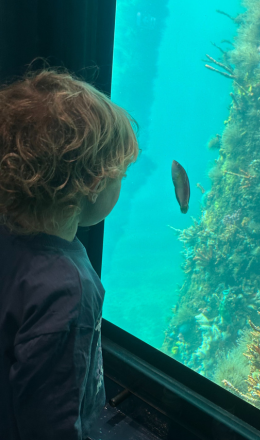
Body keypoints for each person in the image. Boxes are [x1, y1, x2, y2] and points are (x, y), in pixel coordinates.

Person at [0, 69, 140, 439]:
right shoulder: (68, 290)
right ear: (93, 183)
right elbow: (51, 416)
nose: (122, 183)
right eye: (121, 176)